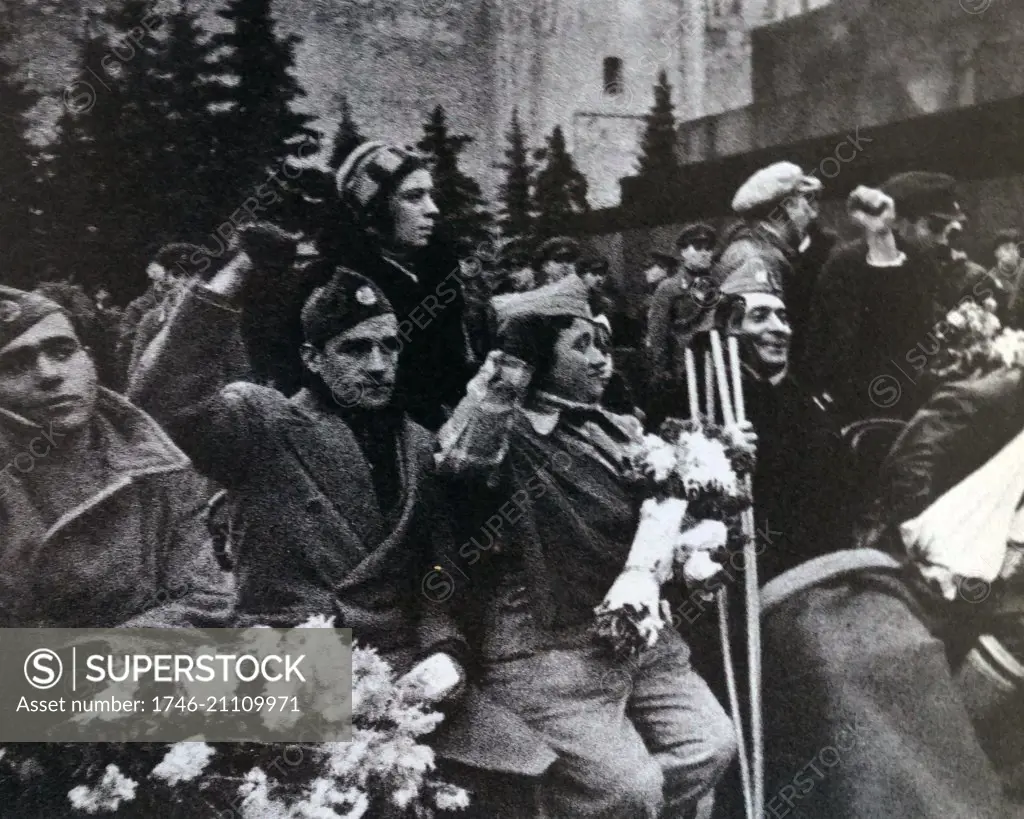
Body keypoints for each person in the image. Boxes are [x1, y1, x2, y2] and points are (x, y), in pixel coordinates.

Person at [434, 274, 736, 818]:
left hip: (640, 638)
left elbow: (667, 500)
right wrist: (507, 374)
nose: (603, 359)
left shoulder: (616, 426)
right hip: (548, 651)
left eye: (602, 343)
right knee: (627, 790)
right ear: (537, 359)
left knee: (710, 746)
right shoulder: (507, 428)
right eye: (582, 345)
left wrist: (717, 459)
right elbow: (461, 461)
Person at [759, 365, 1024, 819]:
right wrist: (927, 552)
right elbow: (907, 468)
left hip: (996, 581)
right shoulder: (988, 398)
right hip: (923, 562)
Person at [0, 285, 233, 628]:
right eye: (15, 364)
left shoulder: (156, 462)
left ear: (89, 359)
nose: (49, 374)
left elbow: (207, 599)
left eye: (62, 351)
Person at [805, 173, 976, 420]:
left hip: (913, 403)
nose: (941, 239)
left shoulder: (922, 262)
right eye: (934, 227)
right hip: (864, 411)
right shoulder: (847, 264)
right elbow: (846, 353)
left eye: (947, 229)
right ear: (898, 222)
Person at [329, 140, 474, 430]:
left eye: (430, 195)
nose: (432, 209)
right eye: (414, 196)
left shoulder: (437, 274)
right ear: (376, 210)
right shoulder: (340, 285)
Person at [714, 161, 835, 382]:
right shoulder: (759, 259)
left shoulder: (759, 250)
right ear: (786, 207)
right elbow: (760, 338)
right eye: (805, 203)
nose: (812, 214)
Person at [116, 243, 202, 385]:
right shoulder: (143, 314)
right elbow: (127, 359)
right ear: (165, 277)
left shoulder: (209, 316)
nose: (187, 282)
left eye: (193, 275)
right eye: (178, 274)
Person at [645, 222, 717, 387]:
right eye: (698, 248)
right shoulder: (669, 288)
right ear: (684, 252)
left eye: (708, 248)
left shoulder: (715, 285)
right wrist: (661, 372)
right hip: (683, 367)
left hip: (712, 363)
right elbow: (657, 334)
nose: (704, 253)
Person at [988, 228, 1024, 328]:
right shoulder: (990, 279)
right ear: (996, 252)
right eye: (1007, 248)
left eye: (1015, 249)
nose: (1012, 252)